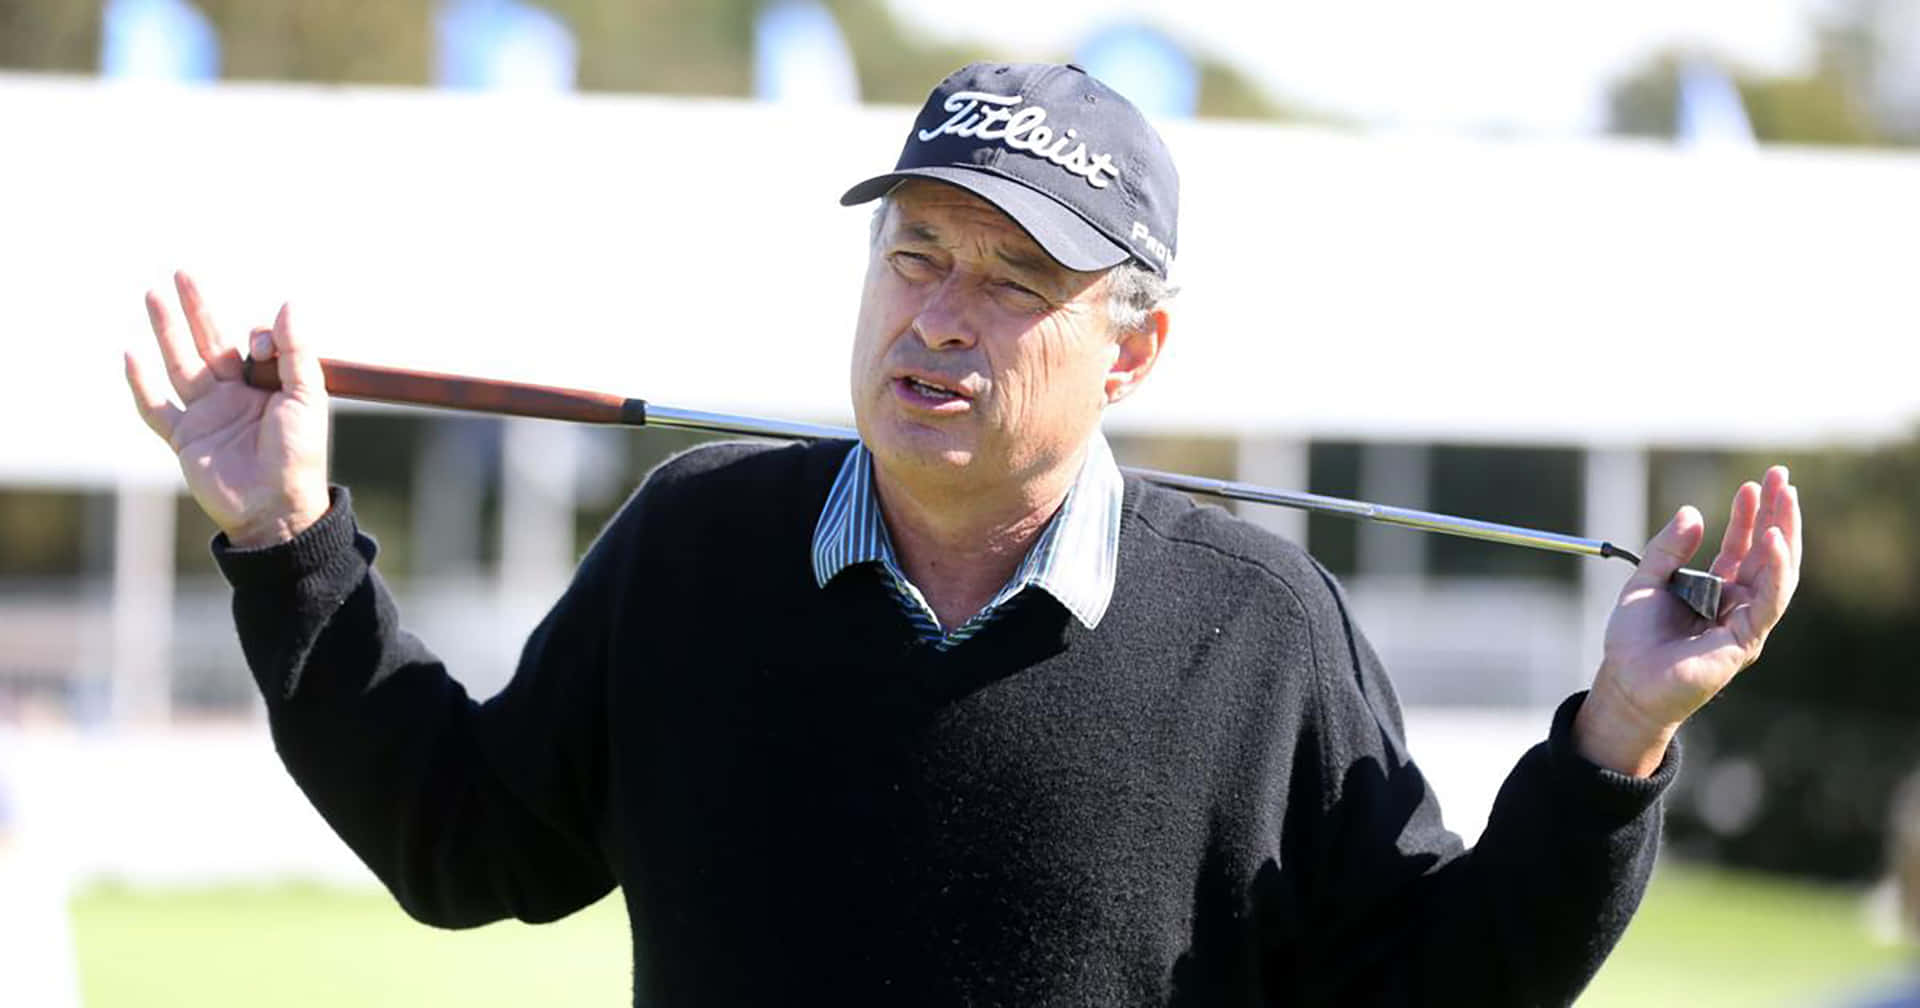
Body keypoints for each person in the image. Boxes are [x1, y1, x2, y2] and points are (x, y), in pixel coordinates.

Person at [124, 62, 1802, 1006]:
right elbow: (464, 844)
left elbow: (1441, 989)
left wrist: (1620, 735)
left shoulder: (1261, 628)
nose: (939, 315)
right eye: (915, 255)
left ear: (1132, 350)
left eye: (1013, 280)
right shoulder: (695, 549)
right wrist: (287, 535)